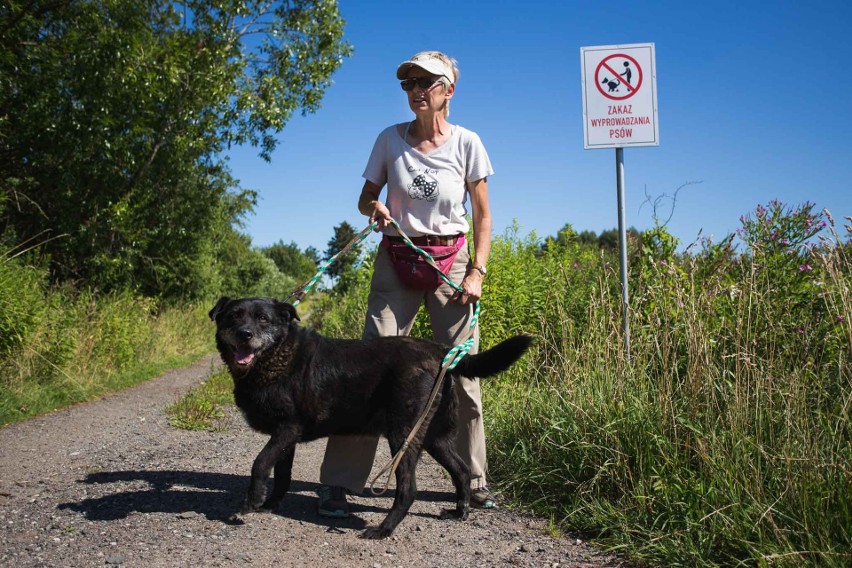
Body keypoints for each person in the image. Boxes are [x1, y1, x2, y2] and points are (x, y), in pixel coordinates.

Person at [316, 50, 496, 518]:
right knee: (367, 368)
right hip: (397, 257)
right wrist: (372, 207)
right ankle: (339, 482)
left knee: (460, 373)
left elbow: (482, 217)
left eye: (427, 82)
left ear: (448, 90)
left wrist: (477, 271)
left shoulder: (468, 144)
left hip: (452, 265)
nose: (416, 89)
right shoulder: (388, 140)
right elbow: (364, 197)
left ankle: (473, 481)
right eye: (409, 82)